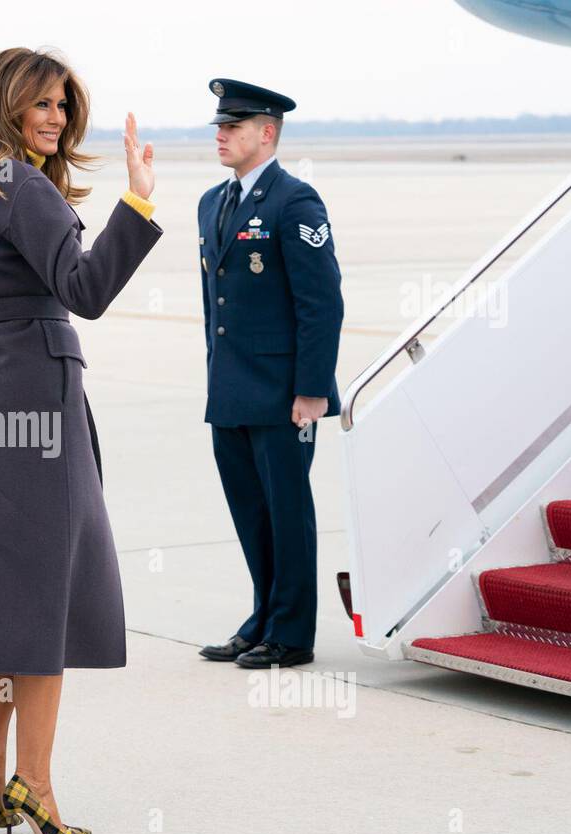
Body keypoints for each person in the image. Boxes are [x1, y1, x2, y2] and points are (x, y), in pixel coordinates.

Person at [0, 48, 161, 834]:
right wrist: (137, 202)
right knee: (48, 594)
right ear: (7, 104)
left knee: (6, 587)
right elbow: (85, 291)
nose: (55, 118)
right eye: (43, 104)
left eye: (63, 105)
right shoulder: (22, 187)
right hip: (37, 396)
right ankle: (39, 786)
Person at [194, 79, 344, 669]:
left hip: (284, 395)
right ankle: (262, 618)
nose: (221, 135)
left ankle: (292, 634)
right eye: (219, 126)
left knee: (287, 512)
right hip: (231, 390)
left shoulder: (295, 202)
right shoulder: (213, 201)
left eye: (233, 126)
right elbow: (217, 304)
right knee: (250, 513)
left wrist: (312, 390)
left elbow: (321, 303)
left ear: (268, 132)